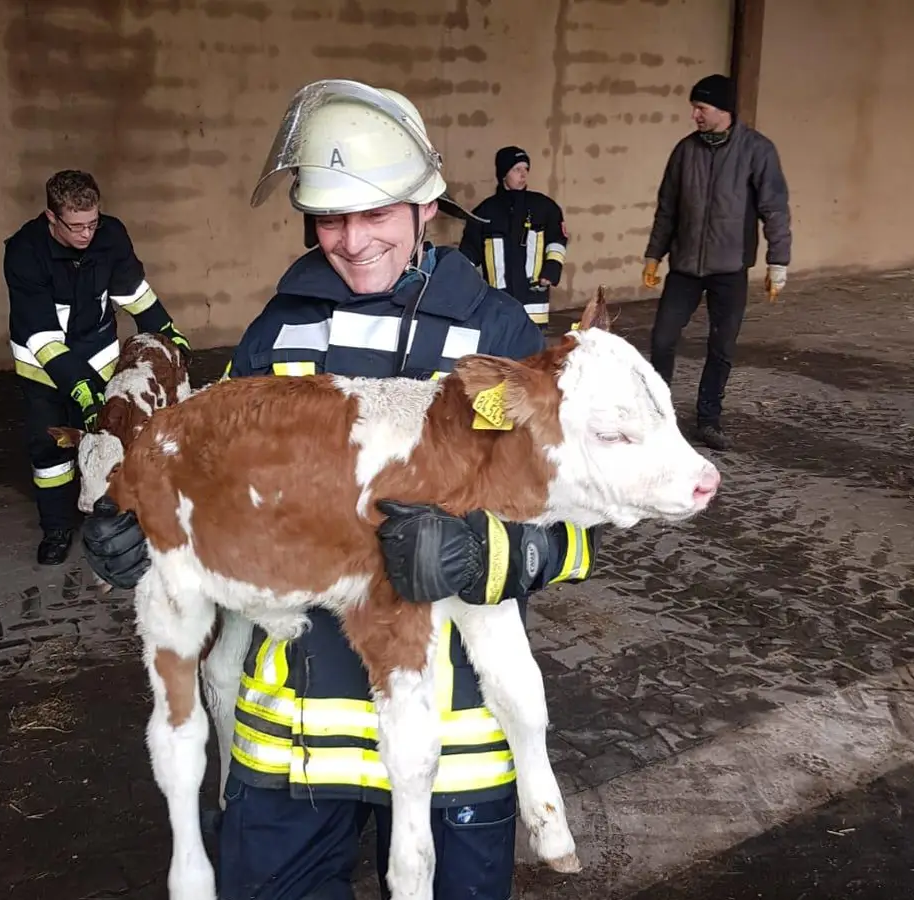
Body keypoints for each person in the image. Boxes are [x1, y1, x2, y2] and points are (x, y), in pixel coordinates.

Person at [80, 79, 603, 900]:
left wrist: (477, 551)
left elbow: (577, 529)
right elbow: (217, 491)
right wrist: (147, 537)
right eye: (331, 218)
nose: (353, 242)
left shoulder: (496, 336)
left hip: (450, 736)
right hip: (293, 737)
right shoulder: (276, 333)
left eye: (376, 216)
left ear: (426, 206)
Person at [3, 169, 191, 565]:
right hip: (43, 368)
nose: (86, 234)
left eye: (92, 223)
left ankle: (118, 528)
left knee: (110, 445)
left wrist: (166, 331)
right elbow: (41, 338)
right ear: (51, 218)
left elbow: (133, 292)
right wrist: (79, 387)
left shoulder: (111, 235)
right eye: (75, 226)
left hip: (99, 358)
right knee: (50, 449)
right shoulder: (24, 251)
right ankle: (56, 528)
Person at [641, 73, 792, 451]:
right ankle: (656, 415)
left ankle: (708, 419)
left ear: (723, 110)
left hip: (730, 268)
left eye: (701, 108)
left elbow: (774, 209)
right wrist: (653, 255)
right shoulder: (684, 151)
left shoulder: (757, 150)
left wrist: (779, 263)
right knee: (662, 339)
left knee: (721, 346)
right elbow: (667, 209)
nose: (694, 115)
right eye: (694, 108)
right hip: (685, 267)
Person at [460, 145, 570, 328]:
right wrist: (459, 281)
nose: (523, 175)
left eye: (526, 169)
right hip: (498, 300)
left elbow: (557, 241)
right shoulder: (485, 212)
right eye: (517, 169)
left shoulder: (544, 208)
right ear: (504, 174)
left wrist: (552, 268)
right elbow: (469, 253)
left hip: (534, 300)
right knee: (501, 353)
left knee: (534, 354)